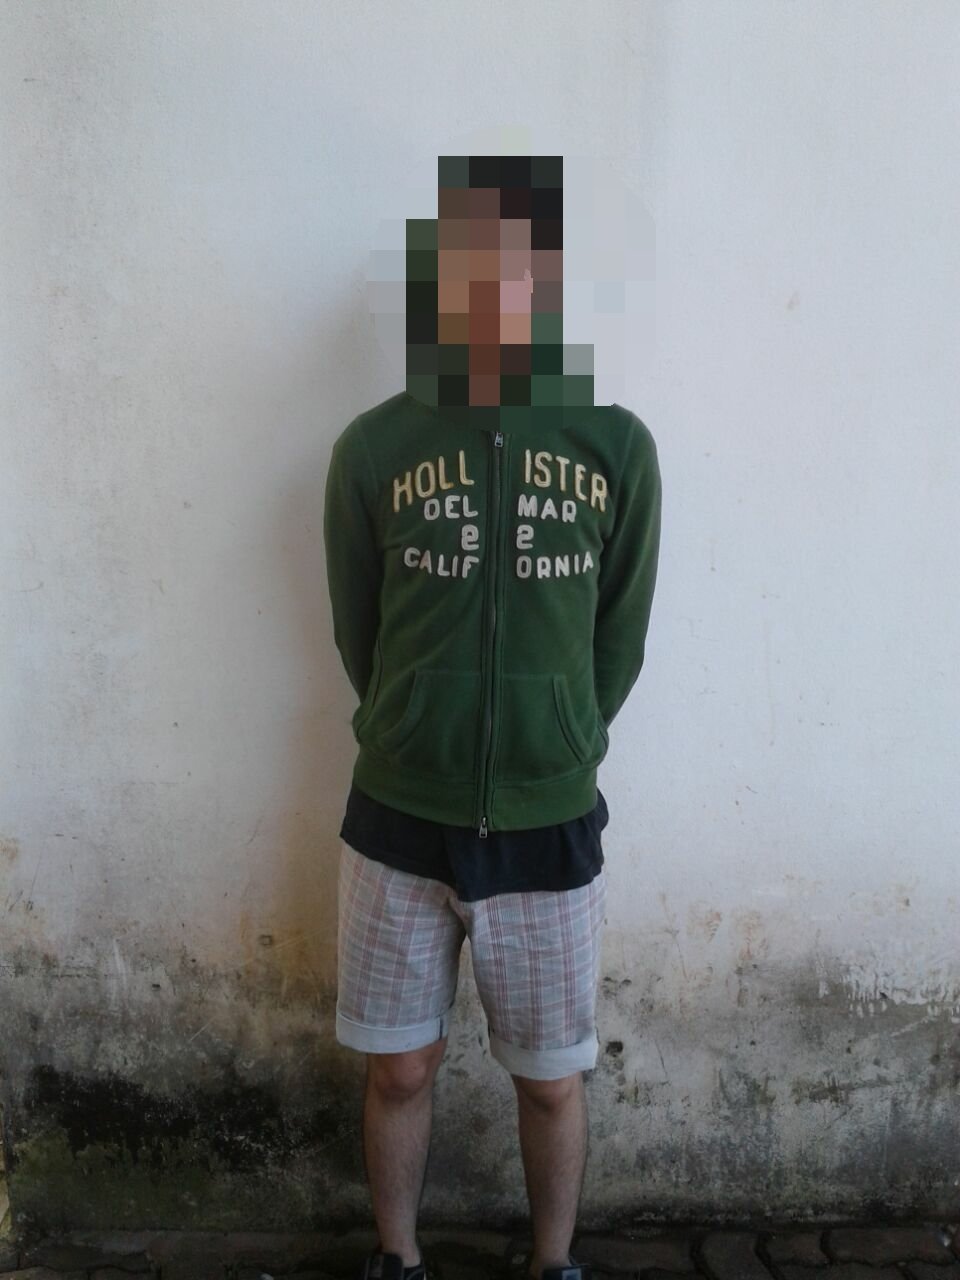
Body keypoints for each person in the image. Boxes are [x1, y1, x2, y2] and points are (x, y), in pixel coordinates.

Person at [323, 155, 661, 1280]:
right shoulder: (373, 448)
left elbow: (618, 637)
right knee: (399, 1068)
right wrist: (415, 723)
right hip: (398, 817)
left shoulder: (615, 446)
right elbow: (360, 631)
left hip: (547, 820)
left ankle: (554, 1264)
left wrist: (559, 739)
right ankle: (398, 1258)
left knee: (552, 1077)